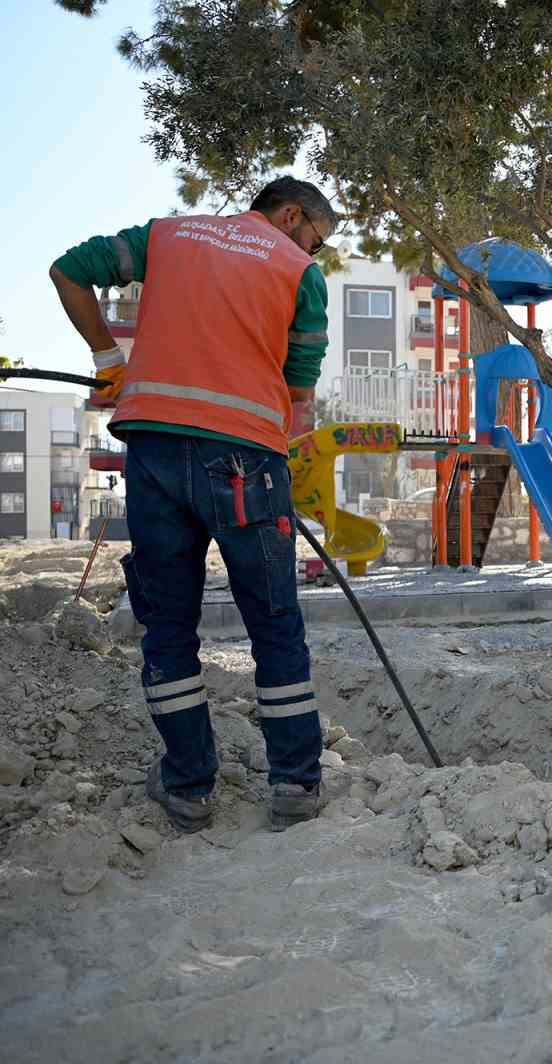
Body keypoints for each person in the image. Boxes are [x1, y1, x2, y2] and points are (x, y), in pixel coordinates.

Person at [49, 176, 336, 834]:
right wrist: (282, 473)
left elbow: (67, 271)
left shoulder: (167, 236)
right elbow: (299, 401)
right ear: (291, 215)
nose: (313, 254)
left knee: (168, 630)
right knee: (274, 626)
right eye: (315, 240)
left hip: (151, 452)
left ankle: (188, 787)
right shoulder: (298, 274)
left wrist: (105, 355)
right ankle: (294, 783)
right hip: (245, 464)